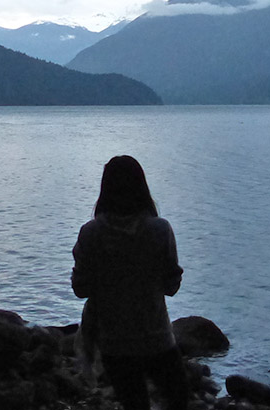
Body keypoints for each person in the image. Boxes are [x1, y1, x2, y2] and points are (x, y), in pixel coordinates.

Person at [71, 155, 188, 410]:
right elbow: (172, 286)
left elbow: (80, 288)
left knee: (135, 404)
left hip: (114, 343)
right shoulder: (159, 230)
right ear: (142, 188)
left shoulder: (90, 233)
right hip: (157, 339)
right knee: (179, 400)